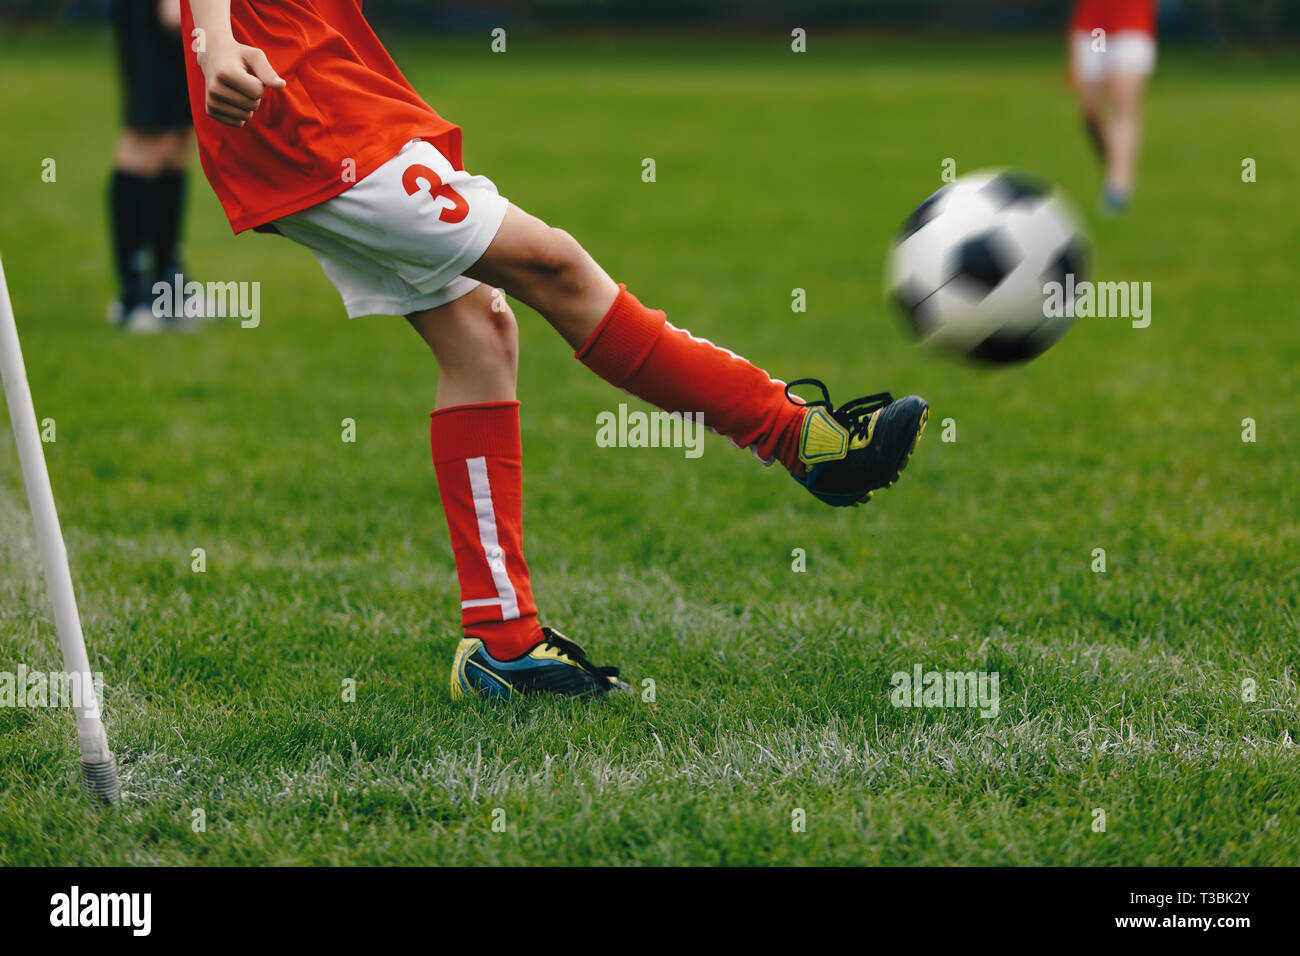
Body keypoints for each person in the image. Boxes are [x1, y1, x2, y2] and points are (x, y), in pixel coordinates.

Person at [180, 0, 929, 698]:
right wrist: (215, 40)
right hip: (299, 101)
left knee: (479, 335)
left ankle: (502, 647)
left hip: (325, 83)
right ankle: (798, 436)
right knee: (555, 266)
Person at [108, 0, 196, 332]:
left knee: (176, 141)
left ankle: (168, 286)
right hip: (150, 21)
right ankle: (133, 296)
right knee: (147, 140)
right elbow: (172, 15)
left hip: (181, 28)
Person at [1068, 0, 1158, 214]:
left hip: (1132, 23)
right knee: (1090, 112)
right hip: (1092, 26)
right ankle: (1115, 166)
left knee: (1123, 101)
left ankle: (1119, 185)